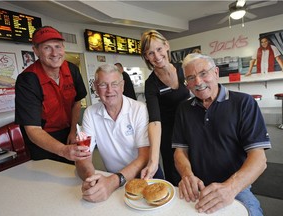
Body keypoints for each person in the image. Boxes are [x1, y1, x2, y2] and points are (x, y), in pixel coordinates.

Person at [172, 53, 271, 215]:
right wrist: (187, 175)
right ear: (187, 84)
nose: (198, 82)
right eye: (190, 78)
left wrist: (230, 188)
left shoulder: (244, 103)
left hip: (236, 187)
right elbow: (180, 151)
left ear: (216, 73)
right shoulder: (184, 109)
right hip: (198, 187)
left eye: (203, 73)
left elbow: (259, 159)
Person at [76, 64, 163, 203]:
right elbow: (84, 156)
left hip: (145, 175)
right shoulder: (90, 113)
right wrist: (91, 179)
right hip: (113, 179)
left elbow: (144, 156)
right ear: (96, 88)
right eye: (103, 85)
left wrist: (114, 181)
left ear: (122, 86)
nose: (110, 90)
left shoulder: (139, 109)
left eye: (114, 84)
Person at [15, 26, 90, 164]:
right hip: (42, 138)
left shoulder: (72, 69)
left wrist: (73, 131)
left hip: (68, 132)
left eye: (58, 46)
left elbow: (77, 101)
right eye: (47, 48)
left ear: (63, 48)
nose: (55, 53)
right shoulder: (27, 80)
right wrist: (63, 150)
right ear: (36, 51)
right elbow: (32, 129)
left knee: (70, 173)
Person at [140, 30, 190, 186]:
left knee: (197, 167)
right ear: (146, 57)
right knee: (175, 175)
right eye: (150, 53)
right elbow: (154, 120)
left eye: (159, 49)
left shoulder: (184, 69)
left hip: (190, 126)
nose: (156, 56)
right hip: (169, 134)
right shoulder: (151, 84)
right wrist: (153, 161)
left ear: (166, 45)